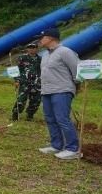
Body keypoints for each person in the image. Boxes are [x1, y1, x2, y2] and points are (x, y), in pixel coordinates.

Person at [34, 28, 83, 160]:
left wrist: (76, 86)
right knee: (50, 118)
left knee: (62, 119)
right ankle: (56, 145)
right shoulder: (45, 55)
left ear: (51, 38)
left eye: (42, 37)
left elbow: (77, 70)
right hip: (46, 91)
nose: (40, 40)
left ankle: (73, 149)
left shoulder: (65, 52)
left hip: (62, 90)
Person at [12, 42, 42, 121]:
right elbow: (15, 69)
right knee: (21, 99)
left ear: (37, 49)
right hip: (24, 82)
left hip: (37, 83)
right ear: (27, 49)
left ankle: (30, 115)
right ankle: (15, 114)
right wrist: (16, 80)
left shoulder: (41, 59)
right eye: (30, 47)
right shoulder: (22, 58)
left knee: (36, 100)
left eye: (34, 47)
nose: (32, 49)